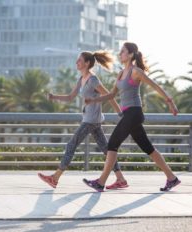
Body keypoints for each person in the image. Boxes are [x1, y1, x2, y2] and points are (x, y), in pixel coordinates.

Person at [83, 42, 181, 192]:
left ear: (130, 55)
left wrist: (170, 102)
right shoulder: (121, 73)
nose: (120, 54)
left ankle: (101, 182)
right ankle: (172, 178)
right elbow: (112, 95)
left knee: (112, 144)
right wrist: (93, 100)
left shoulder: (136, 72)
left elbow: (155, 86)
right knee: (148, 148)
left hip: (134, 113)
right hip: (130, 115)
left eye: (122, 52)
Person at [38, 50, 128, 190]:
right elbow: (70, 97)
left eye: (79, 60)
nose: (76, 62)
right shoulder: (82, 79)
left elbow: (109, 95)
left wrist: (120, 114)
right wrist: (54, 97)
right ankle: (120, 178)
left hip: (91, 120)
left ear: (87, 63)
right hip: (91, 119)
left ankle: (55, 178)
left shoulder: (93, 80)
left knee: (71, 145)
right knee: (106, 149)